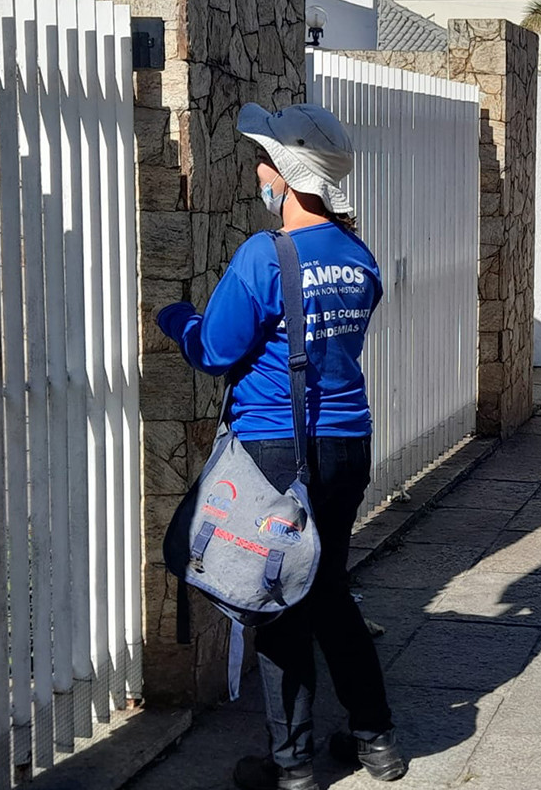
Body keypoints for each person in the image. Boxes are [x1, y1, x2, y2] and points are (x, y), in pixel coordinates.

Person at [155, 103, 406, 790]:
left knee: (276, 597)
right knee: (326, 588)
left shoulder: (266, 255)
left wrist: (174, 317)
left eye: (265, 161)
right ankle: (375, 738)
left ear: (287, 177)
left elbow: (215, 348)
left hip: (274, 453)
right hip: (346, 445)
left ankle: (292, 765)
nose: (259, 171)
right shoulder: (359, 257)